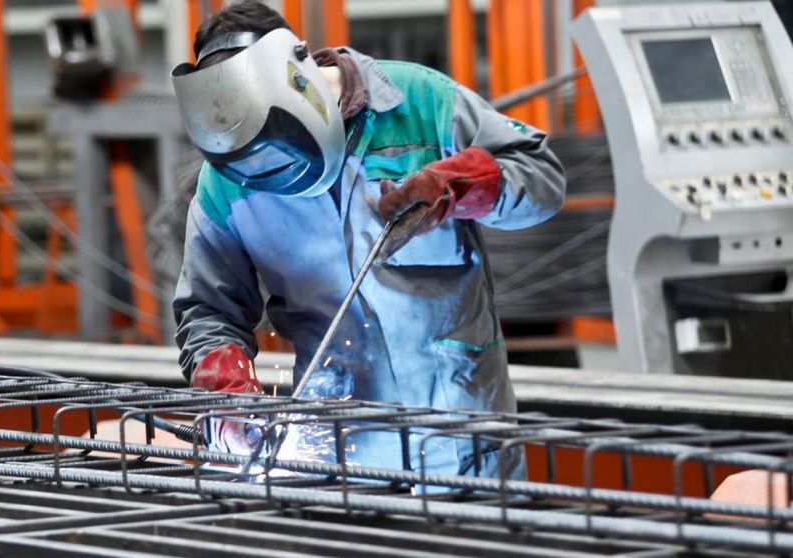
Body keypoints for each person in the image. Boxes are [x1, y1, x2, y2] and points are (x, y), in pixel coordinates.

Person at [170, 1, 565, 478]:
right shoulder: (227, 177)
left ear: (302, 72)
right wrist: (227, 394)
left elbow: (542, 178)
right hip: (333, 454)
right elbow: (209, 311)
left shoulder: (421, 102)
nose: (265, 171)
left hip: (464, 440)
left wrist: (465, 186)